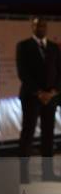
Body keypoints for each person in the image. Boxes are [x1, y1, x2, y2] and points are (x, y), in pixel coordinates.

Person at [17, 17, 61, 182]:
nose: (40, 27)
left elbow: (59, 72)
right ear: (32, 27)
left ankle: (48, 173)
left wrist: (53, 92)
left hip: (51, 98)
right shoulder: (23, 46)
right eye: (36, 25)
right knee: (27, 135)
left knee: (48, 136)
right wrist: (39, 92)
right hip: (31, 97)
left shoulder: (54, 47)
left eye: (43, 25)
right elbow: (23, 73)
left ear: (46, 27)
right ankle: (23, 175)